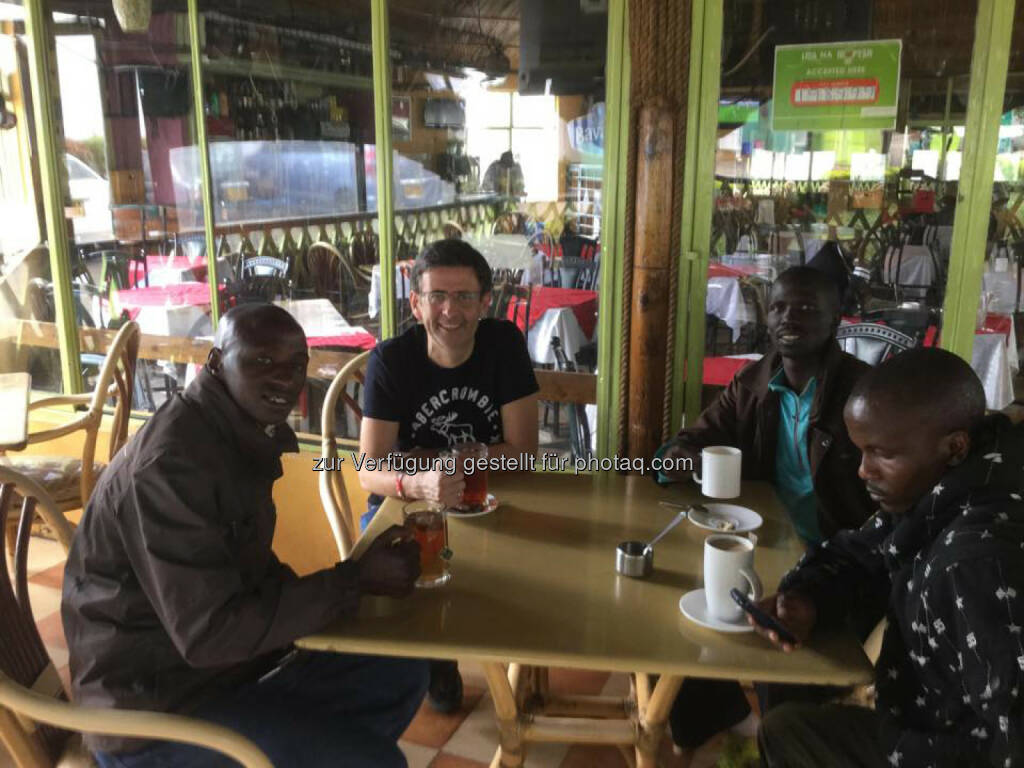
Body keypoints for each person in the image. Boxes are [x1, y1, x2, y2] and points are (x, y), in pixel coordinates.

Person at [62, 304, 428, 768]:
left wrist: (349, 588)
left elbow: (243, 572)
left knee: (401, 670)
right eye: (261, 361)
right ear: (216, 363)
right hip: (152, 710)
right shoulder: (172, 467)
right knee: (375, 762)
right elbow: (209, 634)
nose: (284, 378)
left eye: (296, 364)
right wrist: (351, 581)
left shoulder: (232, 432)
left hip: (221, 673)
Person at [756, 348, 1024, 767]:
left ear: (954, 447)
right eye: (861, 451)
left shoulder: (977, 564)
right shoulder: (951, 484)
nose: (864, 470)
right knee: (786, 720)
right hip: (924, 719)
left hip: (953, 751)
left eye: (883, 454)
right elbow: (858, 553)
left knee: (789, 732)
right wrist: (808, 598)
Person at [659, 266, 875, 753]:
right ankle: (714, 718)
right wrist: (678, 458)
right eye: (778, 307)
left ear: (834, 318)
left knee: (779, 639)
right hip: (765, 540)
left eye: (805, 308)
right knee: (690, 607)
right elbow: (692, 439)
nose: (788, 318)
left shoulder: (863, 392)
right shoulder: (754, 382)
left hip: (837, 552)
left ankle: (783, 743)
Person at [358, 238, 540, 713]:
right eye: (437, 296)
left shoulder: (504, 344)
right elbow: (367, 469)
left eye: (463, 297)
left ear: (485, 302)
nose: (450, 310)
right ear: (416, 304)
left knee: (542, 569)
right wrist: (418, 482)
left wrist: (447, 463)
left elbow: (524, 453)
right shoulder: (391, 360)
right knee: (393, 583)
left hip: (492, 499)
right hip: (408, 505)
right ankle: (434, 658)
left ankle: (520, 660)